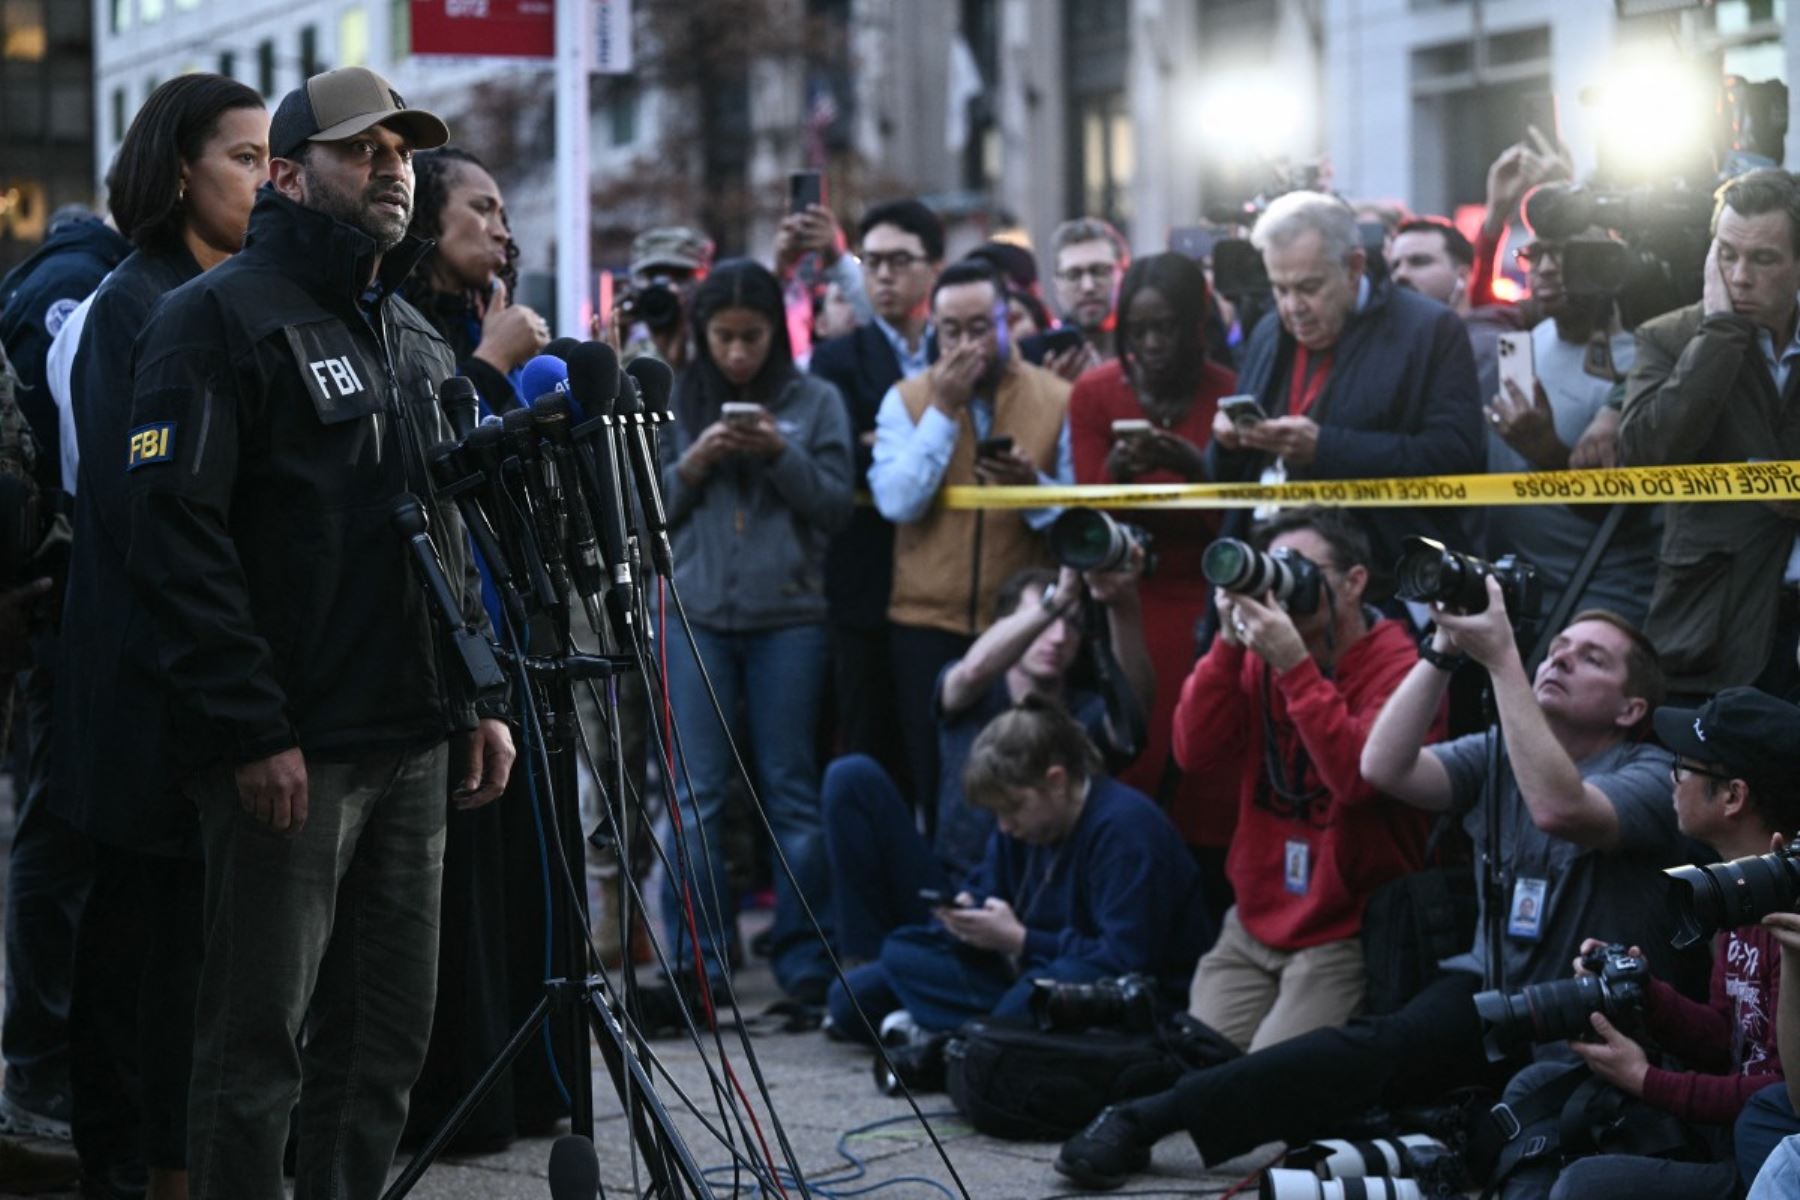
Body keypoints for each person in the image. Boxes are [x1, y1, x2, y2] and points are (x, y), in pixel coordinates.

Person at [122, 66, 515, 1197]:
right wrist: (251, 729)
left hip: (414, 739)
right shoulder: (209, 319)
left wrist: (478, 695)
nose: (393, 165)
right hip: (292, 753)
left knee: (384, 1044)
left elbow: (442, 529)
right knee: (258, 1053)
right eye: (363, 149)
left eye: (402, 149)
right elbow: (174, 545)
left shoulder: (410, 334)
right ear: (288, 175)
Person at [1055, 593, 1685, 1190]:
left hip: (1590, 1020)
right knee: (1368, 1050)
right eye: (1559, 647)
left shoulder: (1654, 774)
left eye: (1592, 658)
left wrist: (1501, 661)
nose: (1561, 658)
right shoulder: (1500, 752)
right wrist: (1440, 650)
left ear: (1631, 710)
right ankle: (1140, 1119)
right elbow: (1383, 768)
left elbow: (1560, 809)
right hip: (1496, 990)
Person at [49, 73, 266, 1200]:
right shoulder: (135, 301)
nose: (264, 178)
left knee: (198, 947)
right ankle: (130, 1167)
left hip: (209, 677)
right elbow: (145, 514)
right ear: (180, 166)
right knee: (136, 944)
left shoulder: (236, 291)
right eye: (243, 157)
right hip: (141, 676)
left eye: (274, 157)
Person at [1494, 686, 1800, 1200]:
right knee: (1540, 1087)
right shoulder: (1734, 893)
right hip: (1724, 1122)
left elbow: (1778, 1091)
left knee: (1587, 1186)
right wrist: (1648, 996)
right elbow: (1727, 1038)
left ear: (1733, 796)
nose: (1670, 778)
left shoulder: (1785, 911)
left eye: (1682, 766)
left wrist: (1647, 1080)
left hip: (1766, 1156)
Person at [658, 258, 853, 1004]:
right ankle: (699, 963)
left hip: (792, 621)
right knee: (697, 796)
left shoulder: (817, 400)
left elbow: (837, 507)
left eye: (753, 337)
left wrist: (781, 453)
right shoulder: (674, 400)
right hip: (695, 617)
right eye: (724, 337)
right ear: (702, 335)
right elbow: (647, 511)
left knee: (790, 793)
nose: (739, 353)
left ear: (778, 331)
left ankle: (805, 963)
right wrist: (697, 462)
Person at [1172, 508, 1436, 1052]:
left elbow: (1357, 783)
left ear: (1354, 581)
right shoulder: (1261, 653)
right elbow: (1193, 754)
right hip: (1252, 921)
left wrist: (1295, 665)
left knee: (1268, 1093)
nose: (1283, 585)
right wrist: (1225, 645)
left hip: (1345, 932)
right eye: (1274, 568)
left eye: (1299, 568)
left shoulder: (1403, 669)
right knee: (1197, 1065)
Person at [823, 558, 1151, 964]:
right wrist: (1060, 598)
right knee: (851, 776)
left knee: (908, 979)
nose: (1058, 635)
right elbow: (974, 669)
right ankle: (861, 964)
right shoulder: (972, 694)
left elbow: (1135, 713)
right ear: (1005, 627)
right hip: (948, 885)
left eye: (1072, 624)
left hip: (1033, 906)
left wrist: (1122, 603)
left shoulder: (1084, 712)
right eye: (1043, 620)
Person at [827, 698, 1210, 1041]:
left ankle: (960, 1033)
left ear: (1056, 781)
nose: (1006, 825)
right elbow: (992, 886)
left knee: (1027, 1002)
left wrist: (1022, 941)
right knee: (856, 993)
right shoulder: (1023, 826)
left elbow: (1125, 961)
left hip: (1104, 991)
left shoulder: (1126, 831)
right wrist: (967, 911)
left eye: (1012, 808)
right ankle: (962, 1031)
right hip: (1022, 971)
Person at [0, 202, 132, 1148]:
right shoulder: (77, 289)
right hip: (60, 602)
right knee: (58, 832)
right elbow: (39, 463)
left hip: (64, 595)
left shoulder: (87, 276)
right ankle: (38, 1068)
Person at [870, 258, 1074, 824]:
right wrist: (943, 408)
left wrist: (1033, 488)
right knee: (937, 786)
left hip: (1017, 624)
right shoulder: (907, 399)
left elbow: (1073, 517)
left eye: (980, 327)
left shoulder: (1057, 398)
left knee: (1020, 777)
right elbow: (898, 501)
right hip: (925, 621)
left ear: (1008, 320)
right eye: (951, 330)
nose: (966, 344)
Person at [1206, 191, 1485, 588]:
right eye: (1279, 289)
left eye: (1308, 287)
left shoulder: (1429, 329)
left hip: (1383, 581)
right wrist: (1228, 443)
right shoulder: (1270, 330)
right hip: (1268, 572)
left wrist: (1326, 448)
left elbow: (1454, 456)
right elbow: (1225, 481)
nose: (1292, 307)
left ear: (1354, 267)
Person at [1068, 252, 1236, 889]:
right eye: (1138, 331)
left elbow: (1240, 525)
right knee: (1139, 759)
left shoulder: (1227, 391)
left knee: (1209, 765)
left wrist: (1196, 468)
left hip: (1211, 601)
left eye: (1166, 327)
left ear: (1196, 326)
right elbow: (1091, 521)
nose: (1152, 344)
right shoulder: (1095, 392)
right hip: (1131, 602)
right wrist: (1118, 473)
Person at [1619, 167, 1800, 700]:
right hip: (1711, 634)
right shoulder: (1667, 337)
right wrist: (1719, 334)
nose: (1740, 275)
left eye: (1763, 258)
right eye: (1727, 253)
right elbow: (1644, 456)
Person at [809, 199, 943, 792]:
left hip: (940, 579)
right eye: (872, 261)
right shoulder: (837, 357)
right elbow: (840, 456)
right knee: (866, 749)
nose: (883, 274)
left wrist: (882, 440)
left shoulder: (955, 350)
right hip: (863, 581)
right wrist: (919, 443)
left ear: (933, 268)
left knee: (935, 744)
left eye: (899, 261)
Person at [1484, 223, 1659, 626]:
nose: (1544, 268)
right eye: (1535, 255)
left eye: (1562, 255)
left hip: (1598, 599)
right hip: (1521, 592)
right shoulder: (1536, 334)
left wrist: (1549, 455)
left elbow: (1630, 510)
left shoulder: (1644, 360)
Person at [399, 145, 548, 412]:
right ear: (424, 213)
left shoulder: (483, 327)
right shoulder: (380, 322)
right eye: (482, 209)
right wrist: (493, 360)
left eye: (502, 216)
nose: (502, 233)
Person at [1387, 216, 1525, 403]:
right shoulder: (1395, 342)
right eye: (1394, 266)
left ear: (1463, 275)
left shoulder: (1492, 349)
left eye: (1419, 261)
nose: (1400, 275)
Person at [619, 225, 714, 371]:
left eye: (679, 275)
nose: (667, 286)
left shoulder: (720, 339)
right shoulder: (627, 341)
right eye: (653, 275)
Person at [1048, 216, 1129, 363]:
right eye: (1073, 274)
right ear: (1056, 286)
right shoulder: (1038, 361)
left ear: (1122, 276)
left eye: (1100, 271)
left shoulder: (1145, 353)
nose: (1088, 286)